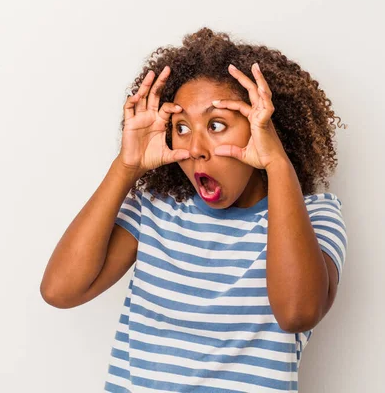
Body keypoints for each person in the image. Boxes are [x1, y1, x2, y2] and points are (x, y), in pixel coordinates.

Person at [40, 27, 348, 392]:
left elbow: (298, 312)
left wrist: (277, 163)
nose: (196, 147)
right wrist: (126, 167)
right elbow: (60, 291)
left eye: (216, 125)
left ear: (263, 129)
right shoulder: (155, 210)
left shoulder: (315, 216)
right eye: (181, 127)